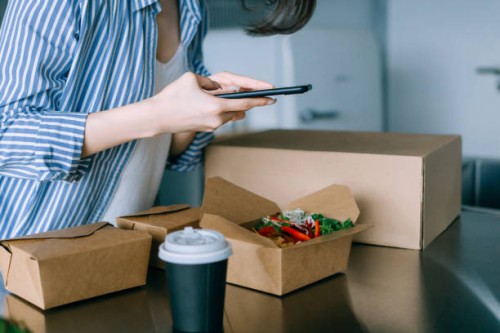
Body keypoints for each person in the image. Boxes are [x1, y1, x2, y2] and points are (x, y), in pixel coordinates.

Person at [0, 0, 316, 239]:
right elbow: (7, 136)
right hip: (32, 259)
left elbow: (162, 153)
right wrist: (160, 113)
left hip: (127, 250)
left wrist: (199, 109)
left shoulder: (191, 8)